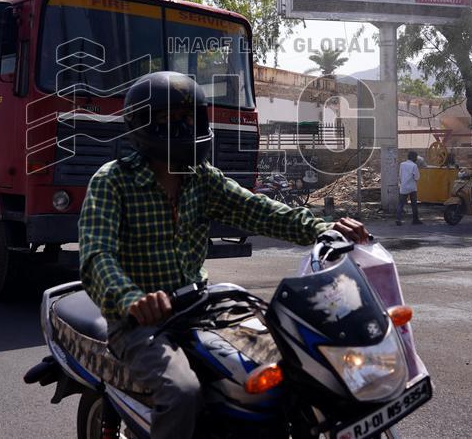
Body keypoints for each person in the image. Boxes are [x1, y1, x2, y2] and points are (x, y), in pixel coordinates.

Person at [79, 71, 369, 439]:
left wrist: (321, 228)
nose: (183, 128)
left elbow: (259, 210)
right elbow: (96, 255)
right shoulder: (113, 181)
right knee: (182, 393)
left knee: (292, 363)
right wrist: (132, 299)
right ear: (142, 125)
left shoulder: (202, 179)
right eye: (169, 119)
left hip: (201, 306)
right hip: (141, 323)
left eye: (189, 118)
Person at [397, 150, 421, 226]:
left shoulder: (402, 164)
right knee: (414, 204)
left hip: (403, 187)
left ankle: (398, 219)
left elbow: (400, 175)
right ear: (414, 158)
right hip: (412, 188)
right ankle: (415, 219)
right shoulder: (414, 166)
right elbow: (417, 177)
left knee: (401, 204)